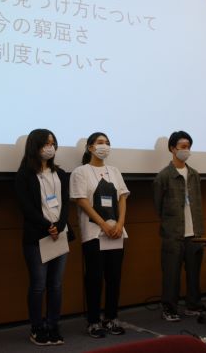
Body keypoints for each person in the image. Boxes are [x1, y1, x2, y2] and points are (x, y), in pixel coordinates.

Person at [14, 129, 71, 346]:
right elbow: (26, 207)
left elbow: (66, 203)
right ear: (35, 146)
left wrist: (60, 225)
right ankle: (37, 328)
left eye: (53, 143)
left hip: (60, 235)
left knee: (56, 284)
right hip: (38, 236)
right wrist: (48, 226)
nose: (50, 147)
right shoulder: (24, 175)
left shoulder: (61, 173)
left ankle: (53, 325)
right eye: (46, 143)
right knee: (38, 285)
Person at [70, 132, 129, 338]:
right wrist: (103, 224)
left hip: (117, 232)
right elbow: (81, 201)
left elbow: (122, 198)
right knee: (94, 278)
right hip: (94, 233)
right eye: (100, 142)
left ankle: (111, 318)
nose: (105, 146)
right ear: (90, 147)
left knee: (114, 277)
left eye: (107, 143)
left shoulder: (114, 171)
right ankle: (94, 321)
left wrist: (120, 224)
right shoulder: (80, 172)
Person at [153, 131, 206, 322]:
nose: (186, 150)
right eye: (182, 147)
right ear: (172, 148)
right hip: (173, 233)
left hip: (195, 232)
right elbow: (158, 206)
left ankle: (193, 305)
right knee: (171, 274)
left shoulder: (194, 174)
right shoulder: (164, 176)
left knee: (194, 272)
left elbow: (198, 202)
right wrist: (171, 223)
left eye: (188, 146)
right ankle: (169, 308)